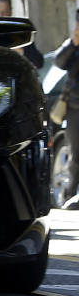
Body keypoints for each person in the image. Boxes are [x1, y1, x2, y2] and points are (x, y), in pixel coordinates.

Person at [55, 19, 79, 210]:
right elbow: (59, 62)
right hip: (75, 107)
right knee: (75, 153)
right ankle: (70, 194)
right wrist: (74, 44)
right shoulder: (72, 45)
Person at [0, 0, 43, 69]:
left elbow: (38, 62)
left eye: (4, 12)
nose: (0, 16)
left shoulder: (20, 33)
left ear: (10, 13)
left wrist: (20, 50)